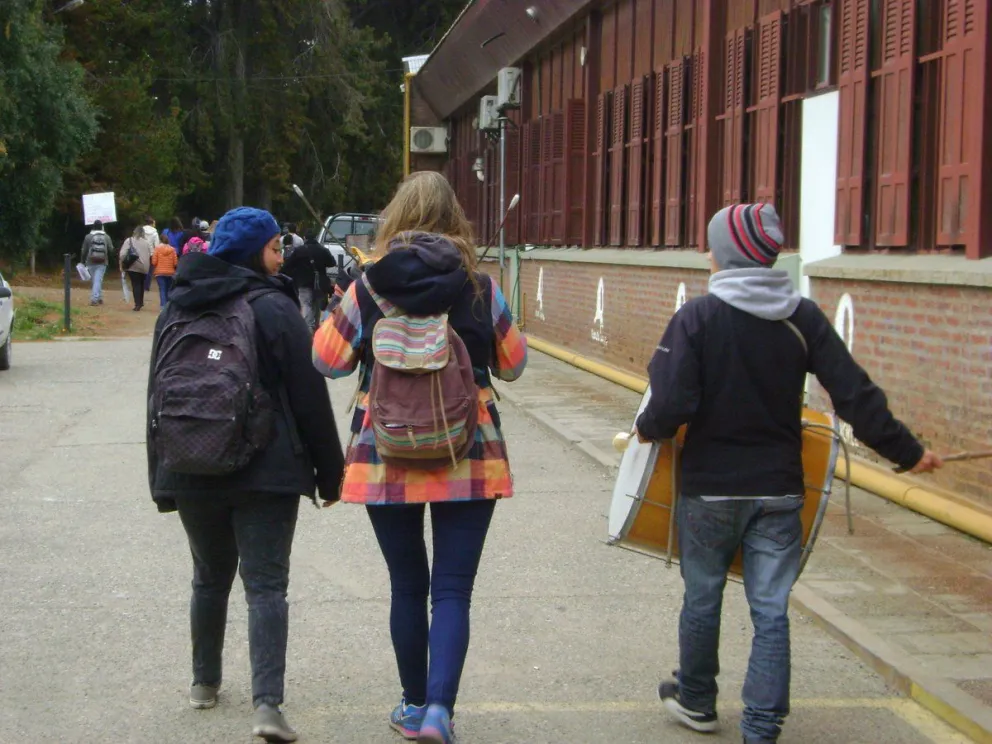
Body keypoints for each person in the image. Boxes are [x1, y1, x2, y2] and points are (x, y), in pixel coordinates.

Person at [634, 203, 943, 744]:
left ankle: (699, 701)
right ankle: (761, 726)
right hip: (779, 489)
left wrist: (646, 427)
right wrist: (909, 452)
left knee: (703, 596)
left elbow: (672, 403)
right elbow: (855, 395)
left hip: (710, 489)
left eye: (712, 246)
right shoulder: (802, 317)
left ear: (726, 254)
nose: (707, 254)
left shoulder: (698, 319)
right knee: (771, 608)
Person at [313, 171, 527, 744]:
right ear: (455, 218)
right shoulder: (478, 284)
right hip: (471, 449)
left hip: (385, 448)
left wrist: (344, 308)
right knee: (453, 589)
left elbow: (327, 362)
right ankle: (440, 712)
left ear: (394, 217)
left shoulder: (368, 285)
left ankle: (411, 705)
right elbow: (513, 364)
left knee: (407, 584)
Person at [147, 207, 345, 743]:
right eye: (276, 248)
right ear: (255, 251)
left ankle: (203, 684)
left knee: (208, 577)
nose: (281, 257)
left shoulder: (177, 309)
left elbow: (155, 398)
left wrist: (162, 480)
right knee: (266, 587)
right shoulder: (273, 308)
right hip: (268, 470)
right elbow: (309, 398)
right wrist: (331, 475)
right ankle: (266, 706)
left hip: (189, 464)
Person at [281, 234, 331, 332]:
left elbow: (288, 265)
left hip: (303, 282)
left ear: (305, 238)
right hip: (319, 283)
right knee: (316, 304)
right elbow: (332, 262)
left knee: (306, 304)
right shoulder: (322, 249)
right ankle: (316, 328)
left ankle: (308, 328)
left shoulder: (299, 250)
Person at [81, 220, 115, 306]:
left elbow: (84, 250)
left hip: (90, 261)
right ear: (102, 227)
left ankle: (98, 297)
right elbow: (111, 249)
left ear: (93, 227)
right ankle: (95, 299)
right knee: (98, 279)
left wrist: (82, 261)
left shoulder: (88, 236)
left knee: (95, 280)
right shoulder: (106, 237)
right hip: (102, 261)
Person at [119, 225, 153, 311]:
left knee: (136, 284)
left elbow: (122, 254)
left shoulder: (129, 240)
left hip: (133, 265)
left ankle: (138, 304)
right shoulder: (147, 242)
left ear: (134, 232)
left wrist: (122, 263)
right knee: (141, 284)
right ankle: (140, 302)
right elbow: (151, 253)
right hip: (145, 267)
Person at [151, 233, 179, 307]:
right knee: (168, 289)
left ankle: (163, 306)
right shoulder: (173, 250)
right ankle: (168, 306)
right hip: (170, 273)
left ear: (160, 240)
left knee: (162, 289)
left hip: (159, 272)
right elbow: (175, 263)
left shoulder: (157, 249)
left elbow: (154, 262)